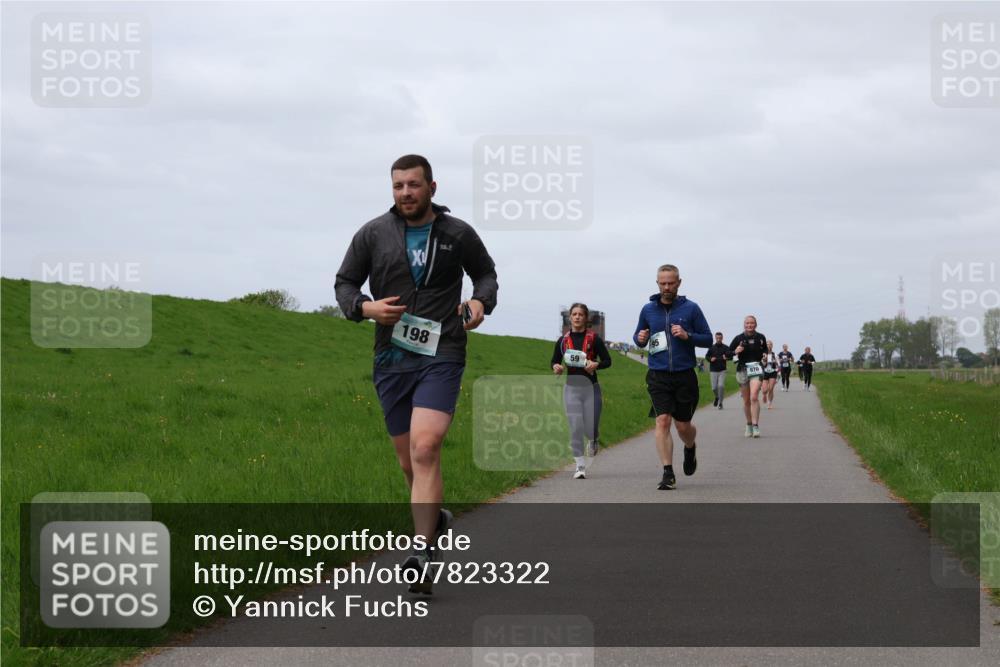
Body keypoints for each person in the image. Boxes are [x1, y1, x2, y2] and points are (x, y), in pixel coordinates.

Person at [335, 154, 498, 593]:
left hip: (442, 351)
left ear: (432, 187)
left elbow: (485, 274)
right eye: (397, 186)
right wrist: (364, 308)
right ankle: (435, 520)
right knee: (409, 462)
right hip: (391, 357)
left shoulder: (457, 233)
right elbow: (345, 284)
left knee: (426, 447)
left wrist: (481, 302)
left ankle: (422, 553)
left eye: (413, 185)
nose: (405, 192)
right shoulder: (372, 234)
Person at [633, 264, 713, 490]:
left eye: (671, 283)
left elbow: (707, 338)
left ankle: (690, 448)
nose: (666, 287)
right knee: (663, 420)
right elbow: (639, 336)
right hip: (658, 375)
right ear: (657, 283)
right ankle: (668, 473)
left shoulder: (691, 309)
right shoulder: (648, 310)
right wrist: (640, 337)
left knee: (683, 426)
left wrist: (688, 336)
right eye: (662, 283)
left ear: (679, 282)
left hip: (684, 374)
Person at [551, 303, 612, 479]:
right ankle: (579, 466)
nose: (577, 317)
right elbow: (554, 361)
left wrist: (596, 364)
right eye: (574, 314)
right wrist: (556, 367)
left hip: (591, 388)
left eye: (580, 314)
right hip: (571, 389)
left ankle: (593, 439)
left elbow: (608, 361)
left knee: (590, 427)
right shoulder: (562, 341)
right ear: (570, 317)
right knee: (575, 426)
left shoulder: (594, 339)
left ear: (586, 318)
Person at [729, 316, 768, 438]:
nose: (749, 325)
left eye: (752, 323)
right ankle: (749, 424)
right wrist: (736, 351)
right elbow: (728, 353)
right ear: (744, 325)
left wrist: (765, 355)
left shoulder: (761, 337)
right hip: (742, 370)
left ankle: (756, 426)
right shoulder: (738, 338)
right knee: (746, 401)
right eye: (747, 323)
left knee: (754, 396)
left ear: (755, 325)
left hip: (756, 368)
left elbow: (765, 349)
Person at [705, 331, 732, 410]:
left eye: (720, 338)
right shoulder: (711, 347)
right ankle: (717, 397)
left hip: (722, 370)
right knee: (714, 388)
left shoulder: (726, 347)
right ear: (715, 338)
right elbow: (706, 356)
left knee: (721, 386)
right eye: (717, 338)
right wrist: (710, 359)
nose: (719, 339)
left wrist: (726, 358)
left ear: (722, 338)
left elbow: (731, 357)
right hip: (713, 370)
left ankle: (720, 403)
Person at [761, 340, 779, 409]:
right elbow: (762, 364)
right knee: (764, 390)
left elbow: (778, 364)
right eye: (767, 344)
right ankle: (764, 394)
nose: (769, 345)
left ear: (772, 346)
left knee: (771, 389)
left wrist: (775, 362)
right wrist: (764, 360)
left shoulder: (775, 354)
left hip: (773, 372)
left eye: (770, 344)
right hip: (765, 372)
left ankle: (769, 403)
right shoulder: (763, 354)